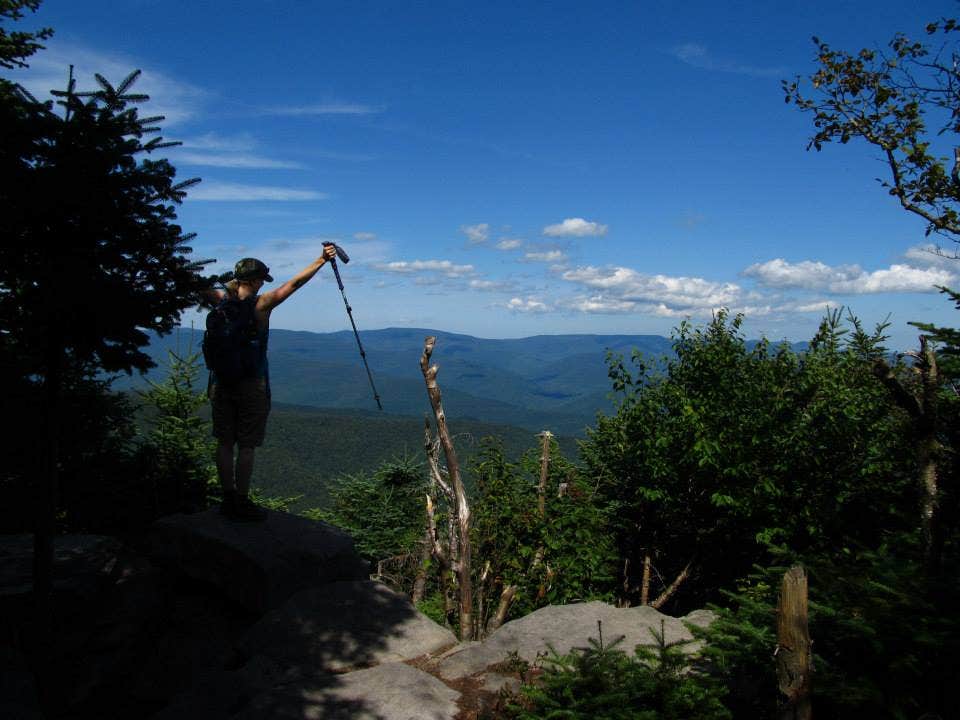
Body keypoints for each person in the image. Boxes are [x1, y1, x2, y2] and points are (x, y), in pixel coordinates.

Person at [207, 246, 338, 521]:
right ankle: (241, 501)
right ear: (254, 281)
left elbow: (201, 286)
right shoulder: (261, 305)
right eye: (259, 280)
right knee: (247, 445)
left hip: (220, 382)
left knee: (224, 442)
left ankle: (227, 498)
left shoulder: (219, 302)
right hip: (252, 384)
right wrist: (322, 260)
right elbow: (295, 283)